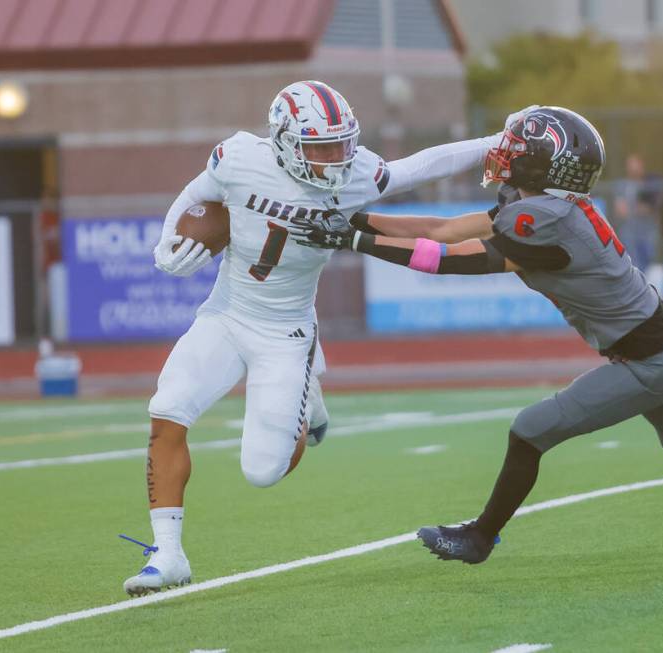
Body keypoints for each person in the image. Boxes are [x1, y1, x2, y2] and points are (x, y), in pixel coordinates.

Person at [287, 106, 663, 566]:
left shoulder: (536, 221)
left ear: (540, 163)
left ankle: (479, 538)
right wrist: (356, 219)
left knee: (529, 430)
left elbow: (446, 261)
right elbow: (441, 229)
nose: (504, 153)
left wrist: (354, 240)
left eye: (516, 147)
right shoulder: (543, 207)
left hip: (645, 360)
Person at [123, 80, 511, 595]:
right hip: (227, 313)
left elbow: (423, 163)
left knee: (263, 471)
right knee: (167, 409)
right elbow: (194, 196)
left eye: (342, 143)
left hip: (287, 331)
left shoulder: (356, 174)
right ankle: (168, 556)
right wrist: (166, 244)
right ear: (283, 140)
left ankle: (308, 389)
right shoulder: (238, 157)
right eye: (322, 147)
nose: (335, 158)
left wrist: (497, 140)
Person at [611, 153, 661, 273]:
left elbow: (648, 208)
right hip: (628, 234)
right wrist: (636, 209)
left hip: (647, 233)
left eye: (635, 164)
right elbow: (621, 210)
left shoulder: (650, 184)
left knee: (649, 266)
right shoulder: (621, 186)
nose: (633, 168)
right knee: (632, 266)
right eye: (630, 165)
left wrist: (635, 209)